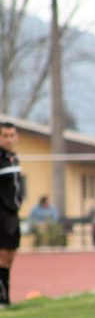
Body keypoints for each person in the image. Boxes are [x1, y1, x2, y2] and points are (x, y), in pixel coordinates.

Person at [0, 122, 24, 307]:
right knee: (1, 256)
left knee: (10, 256)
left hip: (13, 214)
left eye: (11, 135)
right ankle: (2, 298)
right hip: (1, 213)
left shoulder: (14, 158)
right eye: (5, 135)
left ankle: (6, 297)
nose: (9, 139)